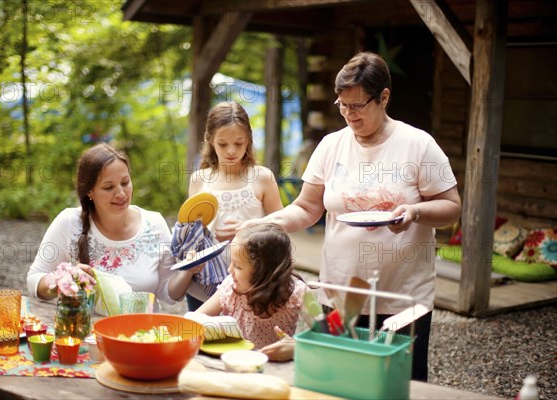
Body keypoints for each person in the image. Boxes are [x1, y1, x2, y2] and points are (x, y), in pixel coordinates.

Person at [246, 52, 462, 381]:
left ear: (384, 98)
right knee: (341, 378)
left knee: (400, 381)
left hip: (402, 297)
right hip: (341, 295)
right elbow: (307, 208)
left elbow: (451, 206)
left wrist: (415, 211)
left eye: (358, 106)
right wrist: (267, 223)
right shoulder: (332, 145)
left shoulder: (418, 145)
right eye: (342, 105)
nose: (348, 114)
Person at [26, 143, 201, 309]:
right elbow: (34, 281)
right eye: (108, 187)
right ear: (89, 191)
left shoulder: (154, 224)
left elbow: (168, 294)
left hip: (142, 335)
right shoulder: (69, 223)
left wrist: (188, 271)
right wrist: (63, 280)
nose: (121, 193)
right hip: (86, 335)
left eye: (125, 182)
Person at [183, 101, 284, 310]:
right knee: (202, 336)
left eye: (239, 143)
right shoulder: (199, 180)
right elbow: (191, 232)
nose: (231, 151)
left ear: (248, 140)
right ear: (210, 140)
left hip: (251, 283)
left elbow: (281, 230)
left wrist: (250, 229)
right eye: (222, 144)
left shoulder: (262, 177)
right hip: (203, 284)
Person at [193, 223, 308, 352]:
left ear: (264, 272)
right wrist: (219, 327)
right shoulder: (231, 288)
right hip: (236, 362)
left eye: (238, 266)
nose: (229, 270)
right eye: (231, 262)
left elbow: (324, 335)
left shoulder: (297, 294)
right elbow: (193, 320)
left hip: (277, 367)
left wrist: (296, 346)